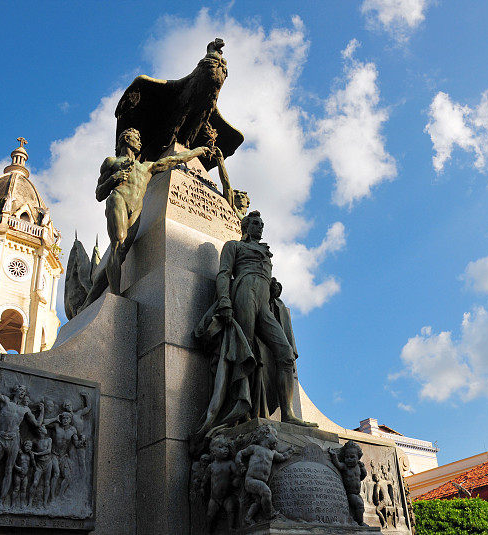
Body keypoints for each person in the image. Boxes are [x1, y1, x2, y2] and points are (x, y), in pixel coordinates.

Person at [194, 211, 316, 435]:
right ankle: (241, 412)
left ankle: (288, 414)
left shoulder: (266, 252)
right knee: (246, 352)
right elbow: (224, 274)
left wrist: (273, 287)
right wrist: (224, 301)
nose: (260, 227)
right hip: (244, 293)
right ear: (245, 227)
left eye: (262, 224)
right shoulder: (234, 246)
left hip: (264, 303)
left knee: (286, 354)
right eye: (256, 224)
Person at [82, 128, 211, 306]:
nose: (140, 142)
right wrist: (114, 178)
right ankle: (116, 297)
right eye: (137, 138)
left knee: (121, 252)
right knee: (118, 242)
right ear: (126, 139)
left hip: (137, 208)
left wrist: (198, 151)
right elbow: (99, 193)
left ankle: (89, 301)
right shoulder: (112, 162)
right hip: (118, 199)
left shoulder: (147, 167)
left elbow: (174, 159)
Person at [0, 368, 45, 509]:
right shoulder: (5, 401)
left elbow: (37, 424)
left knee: (9, 470)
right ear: (15, 391)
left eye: (24, 391)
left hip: (14, 440)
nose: (22, 392)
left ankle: (0, 500)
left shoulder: (25, 410)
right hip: (1, 439)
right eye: (20, 389)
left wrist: (42, 410)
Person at [235, 425, 292, 525]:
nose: (277, 440)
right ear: (266, 435)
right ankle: (269, 514)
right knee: (266, 492)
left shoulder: (273, 452)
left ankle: (248, 518)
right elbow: (240, 453)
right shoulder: (254, 448)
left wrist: (290, 451)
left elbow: (283, 457)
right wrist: (239, 464)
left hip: (261, 481)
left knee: (257, 502)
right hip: (251, 480)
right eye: (275, 436)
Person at [329, 441, 367, 526]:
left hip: (357, 493)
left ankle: (355, 520)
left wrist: (363, 468)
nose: (349, 459)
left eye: (352, 457)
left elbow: (363, 476)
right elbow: (338, 465)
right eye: (347, 457)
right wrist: (334, 456)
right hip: (350, 493)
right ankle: (360, 522)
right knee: (359, 505)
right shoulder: (345, 466)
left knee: (360, 508)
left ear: (358, 458)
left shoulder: (358, 467)